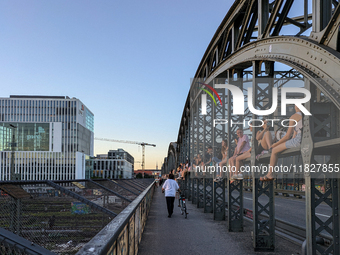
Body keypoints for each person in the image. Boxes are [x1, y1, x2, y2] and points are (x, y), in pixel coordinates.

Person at [261, 105, 303, 181]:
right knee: (278, 147)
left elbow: (287, 136)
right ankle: (271, 173)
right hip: (304, 139)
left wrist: (274, 145)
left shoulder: (294, 116)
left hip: (299, 140)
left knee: (274, 150)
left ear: (296, 106)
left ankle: (270, 173)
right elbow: (293, 135)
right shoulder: (307, 115)